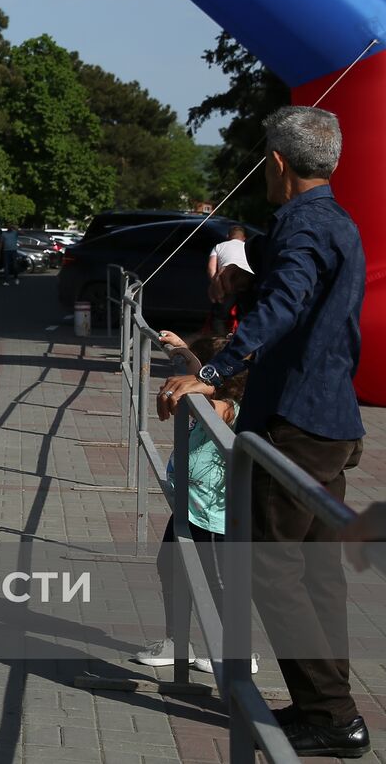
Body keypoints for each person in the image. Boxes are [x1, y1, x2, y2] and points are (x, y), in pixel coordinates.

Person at [156, 106, 368, 758]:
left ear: (276, 164)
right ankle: (327, 707)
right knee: (318, 574)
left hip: (293, 421)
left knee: (271, 570)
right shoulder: (335, 222)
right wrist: (249, 274)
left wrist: (214, 370)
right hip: (332, 421)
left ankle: (332, 715)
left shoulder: (302, 225)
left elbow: (282, 305)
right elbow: (296, 291)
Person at [136, 332, 252, 674]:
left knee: (218, 584)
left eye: (202, 375)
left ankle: (236, 651)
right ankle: (177, 640)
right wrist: (183, 349)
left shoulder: (233, 409)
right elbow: (198, 370)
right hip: (188, 509)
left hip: (217, 520)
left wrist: (194, 389)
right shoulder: (209, 393)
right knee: (170, 567)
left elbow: (221, 409)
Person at [207, 225, 252, 335]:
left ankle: (220, 343)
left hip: (227, 280)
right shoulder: (249, 246)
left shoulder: (219, 246)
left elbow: (211, 268)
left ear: (228, 236)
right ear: (244, 238)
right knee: (245, 317)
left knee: (219, 317)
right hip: (248, 280)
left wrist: (216, 285)